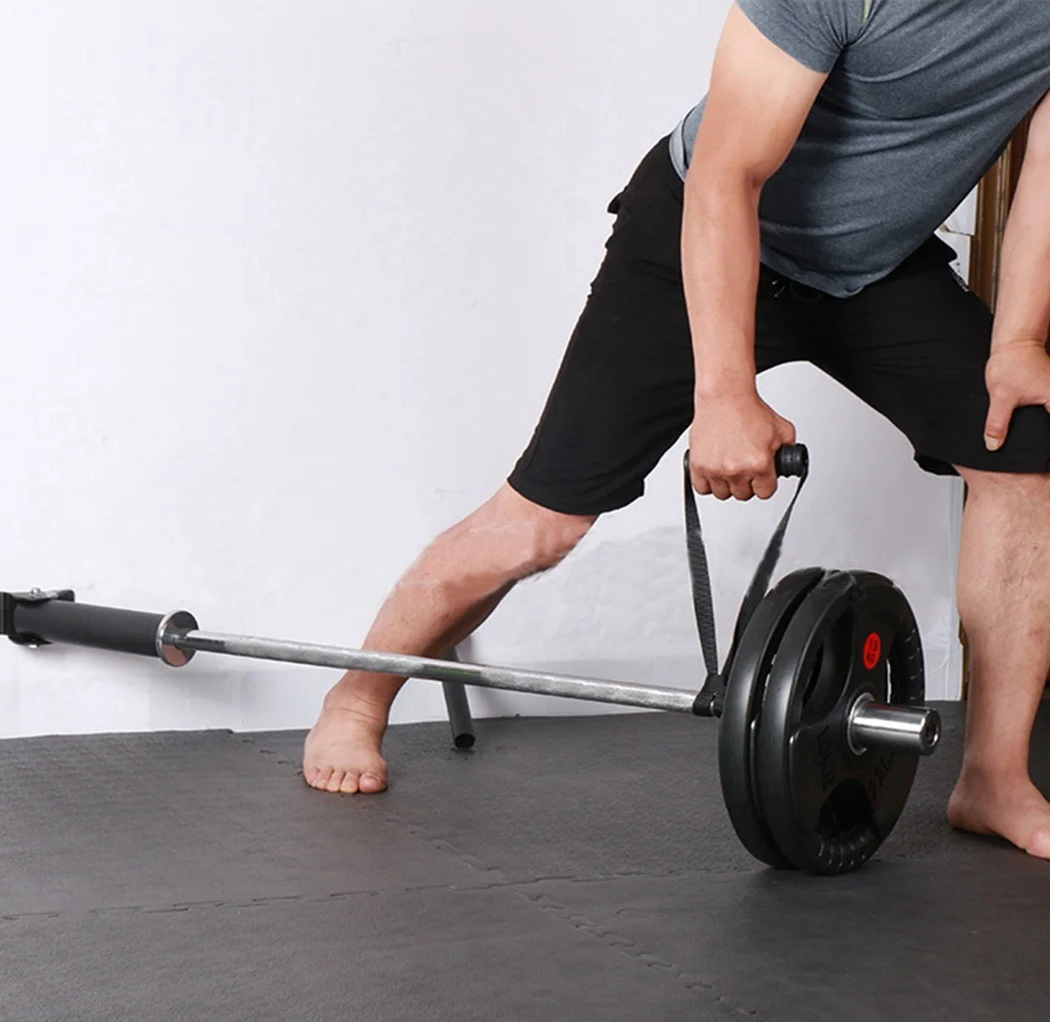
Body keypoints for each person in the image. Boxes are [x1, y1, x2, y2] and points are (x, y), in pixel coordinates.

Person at [303, 1, 1050, 859]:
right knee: (542, 521)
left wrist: (1020, 341)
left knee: (1022, 457)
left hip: (874, 268)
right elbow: (728, 175)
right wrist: (724, 391)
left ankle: (994, 777)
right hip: (704, 227)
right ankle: (358, 700)